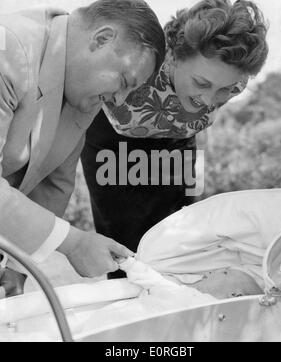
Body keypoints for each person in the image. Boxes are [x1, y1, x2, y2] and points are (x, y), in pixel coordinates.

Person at [81, 0, 269, 278]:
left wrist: (195, 181)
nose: (208, 100)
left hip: (176, 142)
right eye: (201, 83)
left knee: (178, 233)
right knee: (125, 240)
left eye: (225, 90)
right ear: (173, 58)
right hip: (113, 141)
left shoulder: (234, 78)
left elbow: (199, 130)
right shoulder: (143, 60)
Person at [0, 0, 166, 295]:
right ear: (102, 39)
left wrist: (18, 267)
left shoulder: (84, 91)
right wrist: (74, 242)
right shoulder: (9, 48)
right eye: (125, 81)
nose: (120, 100)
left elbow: (54, 182)